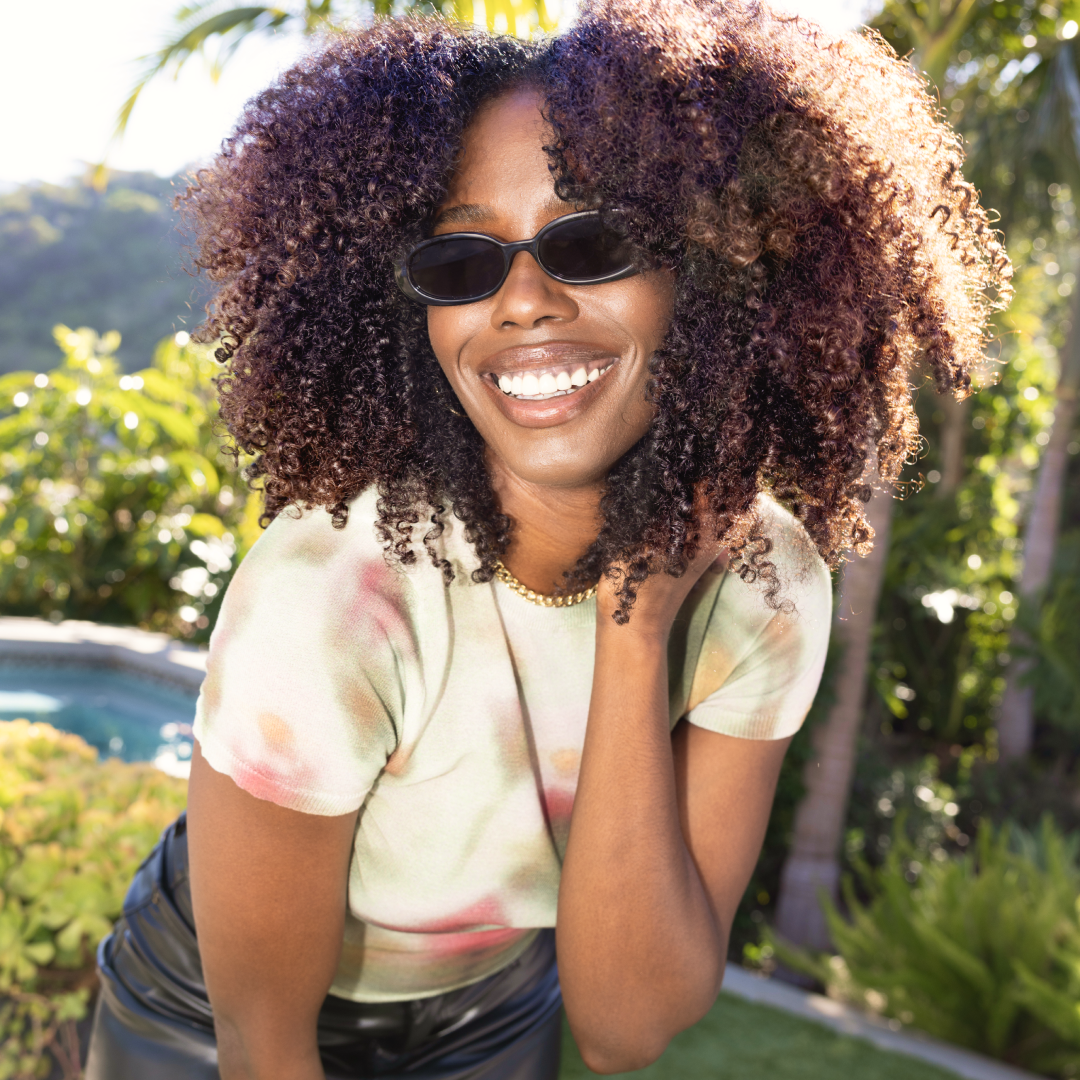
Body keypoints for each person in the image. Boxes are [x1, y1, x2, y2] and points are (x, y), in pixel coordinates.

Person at [85, 1, 1009, 1077]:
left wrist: (636, 625)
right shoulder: (340, 585)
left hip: (494, 1002)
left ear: (711, 275)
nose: (522, 298)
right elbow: (263, 1039)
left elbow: (625, 1026)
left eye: (592, 240)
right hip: (206, 1013)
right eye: (462, 261)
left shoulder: (763, 584)